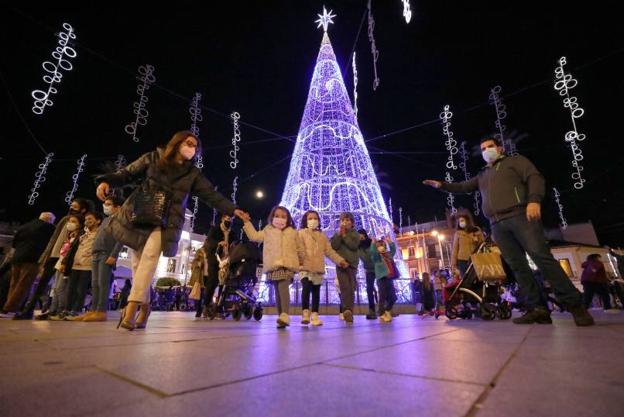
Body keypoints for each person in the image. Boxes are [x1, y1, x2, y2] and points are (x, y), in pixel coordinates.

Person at [423, 137, 594, 326]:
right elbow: (463, 187)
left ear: (500, 148)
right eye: (483, 149)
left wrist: (534, 200)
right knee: (517, 266)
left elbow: (534, 177)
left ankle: (576, 305)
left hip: (521, 216)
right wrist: (442, 185)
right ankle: (537, 308)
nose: (487, 150)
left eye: (490, 146)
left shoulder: (515, 162)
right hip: (497, 224)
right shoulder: (482, 175)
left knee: (541, 258)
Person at [95, 130, 247, 330]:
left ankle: (130, 309)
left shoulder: (193, 174)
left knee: (149, 258)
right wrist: (107, 180)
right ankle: (146, 307)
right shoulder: (154, 157)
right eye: (188, 143)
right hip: (139, 213)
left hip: (167, 221)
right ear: (176, 143)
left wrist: (233, 209)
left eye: (195, 146)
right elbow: (128, 173)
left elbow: (212, 195)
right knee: (138, 264)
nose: (191, 148)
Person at [13, 199, 93, 320]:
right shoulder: (65, 219)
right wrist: (46, 255)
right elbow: (54, 238)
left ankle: (56, 310)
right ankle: (28, 310)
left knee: (60, 286)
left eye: (75, 206)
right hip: (55, 254)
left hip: (67, 257)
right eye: (71, 205)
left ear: (83, 209)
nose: (71, 208)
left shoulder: (84, 224)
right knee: (43, 284)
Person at [242, 206, 303, 329]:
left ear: (288, 219)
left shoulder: (292, 232)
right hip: (273, 264)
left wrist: (301, 261)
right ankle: (281, 316)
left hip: (287, 264)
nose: (280, 218)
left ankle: (285, 314)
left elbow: (299, 248)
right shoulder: (268, 230)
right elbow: (254, 236)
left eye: (283, 216)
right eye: (277, 215)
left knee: (283, 287)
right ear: (272, 217)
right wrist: (246, 222)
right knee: (278, 291)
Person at [298, 210, 348, 326]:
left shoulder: (322, 236)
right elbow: (298, 249)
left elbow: (329, 252)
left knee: (316, 292)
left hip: (318, 269)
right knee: (306, 287)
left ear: (319, 221)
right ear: (305, 220)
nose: (313, 220)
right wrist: (299, 261)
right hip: (305, 267)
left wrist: (340, 261)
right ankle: (305, 313)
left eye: (315, 218)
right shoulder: (300, 233)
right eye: (310, 218)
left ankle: (315, 315)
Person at [0, 213, 55, 317]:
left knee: (14, 284)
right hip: (32, 259)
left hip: (17, 258)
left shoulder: (24, 226)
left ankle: (7, 307)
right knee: (23, 285)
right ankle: (9, 309)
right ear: (50, 220)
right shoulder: (48, 227)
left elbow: (14, 244)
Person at [81, 196, 124, 322]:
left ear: (118, 207)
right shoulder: (105, 220)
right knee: (94, 284)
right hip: (96, 253)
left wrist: (114, 254)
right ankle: (93, 310)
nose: (105, 206)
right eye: (105, 203)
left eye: (109, 204)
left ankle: (101, 311)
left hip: (107, 253)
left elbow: (121, 238)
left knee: (103, 283)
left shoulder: (121, 220)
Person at [46, 214, 85, 320]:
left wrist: (65, 262)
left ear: (80, 224)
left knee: (60, 288)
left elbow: (72, 252)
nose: (70, 223)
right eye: (70, 221)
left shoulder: (79, 236)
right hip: (60, 262)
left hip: (66, 264)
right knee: (55, 288)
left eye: (74, 221)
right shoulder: (70, 235)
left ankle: (61, 310)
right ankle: (53, 310)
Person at [65, 211, 102, 319]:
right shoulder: (82, 233)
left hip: (88, 265)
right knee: (70, 288)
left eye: (90, 219)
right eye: (86, 220)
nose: (87, 221)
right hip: (75, 264)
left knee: (81, 289)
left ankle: (76, 310)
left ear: (98, 221)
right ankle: (66, 309)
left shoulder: (100, 234)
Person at [330, 212, 360, 324]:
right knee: (344, 288)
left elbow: (353, 246)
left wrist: (345, 236)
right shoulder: (337, 234)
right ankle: (346, 310)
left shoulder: (355, 234)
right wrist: (339, 235)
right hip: (341, 264)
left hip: (352, 265)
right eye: (343, 220)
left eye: (347, 220)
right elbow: (334, 246)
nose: (345, 222)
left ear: (352, 223)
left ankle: (349, 311)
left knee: (351, 288)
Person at [201, 214, 232, 317]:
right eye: (227, 219)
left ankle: (219, 307)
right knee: (212, 281)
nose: (229, 221)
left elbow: (235, 243)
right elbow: (209, 241)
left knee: (225, 283)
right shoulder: (215, 229)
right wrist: (219, 242)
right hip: (214, 258)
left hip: (226, 260)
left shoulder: (232, 232)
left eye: (231, 219)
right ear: (222, 219)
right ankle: (206, 305)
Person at [369, 236, 398, 323]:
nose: (381, 246)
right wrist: (373, 244)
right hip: (381, 278)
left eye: (382, 245)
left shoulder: (388, 255)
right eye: (379, 245)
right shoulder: (376, 257)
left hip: (389, 278)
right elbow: (372, 252)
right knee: (382, 296)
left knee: (393, 297)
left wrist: (389, 241)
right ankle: (381, 313)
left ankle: (386, 310)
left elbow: (393, 250)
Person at [451, 212, 484, 279]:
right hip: (462, 260)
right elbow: (455, 249)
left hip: (475, 258)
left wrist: (477, 239)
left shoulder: (476, 230)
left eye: (462, 220)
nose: (461, 222)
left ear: (467, 221)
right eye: (459, 221)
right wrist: (453, 264)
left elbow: (482, 244)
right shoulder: (458, 233)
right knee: (466, 279)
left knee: (477, 278)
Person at [358, 229, 378, 319]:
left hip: (378, 268)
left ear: (365, 235)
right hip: (368, 270)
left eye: (361, 235)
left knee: (382, 288)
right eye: (358, 235)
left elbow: (374, 254)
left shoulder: (371, 243)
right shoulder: (358, 247)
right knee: (369, 290)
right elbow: (363, 258)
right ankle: (372, 310)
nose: (360, 236)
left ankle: (386, 309)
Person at [189, 246, 208, 318]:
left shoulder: (211, 251)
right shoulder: (199, 251)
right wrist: (199, 263)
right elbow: (194, 262)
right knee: (200, 294)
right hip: (201, 276)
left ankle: (206, 310)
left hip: (209, 275)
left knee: (207, 294)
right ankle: (199, 310)